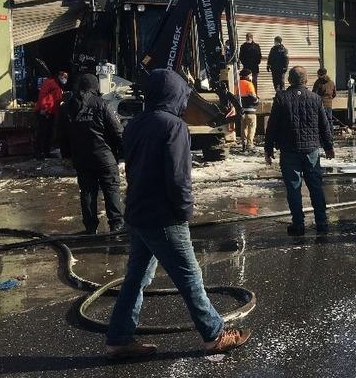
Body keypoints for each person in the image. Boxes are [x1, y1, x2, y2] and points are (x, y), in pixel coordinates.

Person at [104, 69, 250, 360]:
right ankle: (214, 335)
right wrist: (184, 211)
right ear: (175, 94)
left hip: (138, 212)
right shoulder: (173, 126)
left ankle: (118, 340)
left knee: (136, 278)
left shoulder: (135, 124)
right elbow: (178, 177)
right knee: (190, 277)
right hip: (164, 215)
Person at [264, 66, 335, 235]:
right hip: (311, 150)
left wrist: (268, 149)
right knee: (315, 187)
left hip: (289, 150)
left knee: (293, 188)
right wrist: (329, 146)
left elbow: (272, 126)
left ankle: (298, 224)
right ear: (307, 80)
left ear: (289, 80)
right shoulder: (315, 98)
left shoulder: (281, 98)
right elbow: (324, 126)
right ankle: (322, 222)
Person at [59, 74, 125, 234]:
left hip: (81, 158)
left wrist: (66, 156)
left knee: (88, 192)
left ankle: (90, 228)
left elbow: (61, 135)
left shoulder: (67, 107)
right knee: (111, 190)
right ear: (95, 87)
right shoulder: (102, 104)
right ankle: (116, 226)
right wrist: (123, 155)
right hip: (105, 158)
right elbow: (118, 132)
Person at [34, 70, 67, 160]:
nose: (64, 78)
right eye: (63, 76)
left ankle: (46, 152)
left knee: (49, 133)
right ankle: (39, 153)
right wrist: (44, 109)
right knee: (42, 132)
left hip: (52, 112)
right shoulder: (50, 82)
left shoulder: (59, 86)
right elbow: (43, 95)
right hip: (44, 111)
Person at [239, 68, 259, 152]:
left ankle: (243, 144)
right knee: (252, 127)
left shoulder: (237, 83)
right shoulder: (249, 84)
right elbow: (253, 98)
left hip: (241, 111)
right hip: (250, 111)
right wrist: (257, 100)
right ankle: (249, 144)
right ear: (247, 76)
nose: (251, 77)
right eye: (250, 75)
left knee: (243, 128)